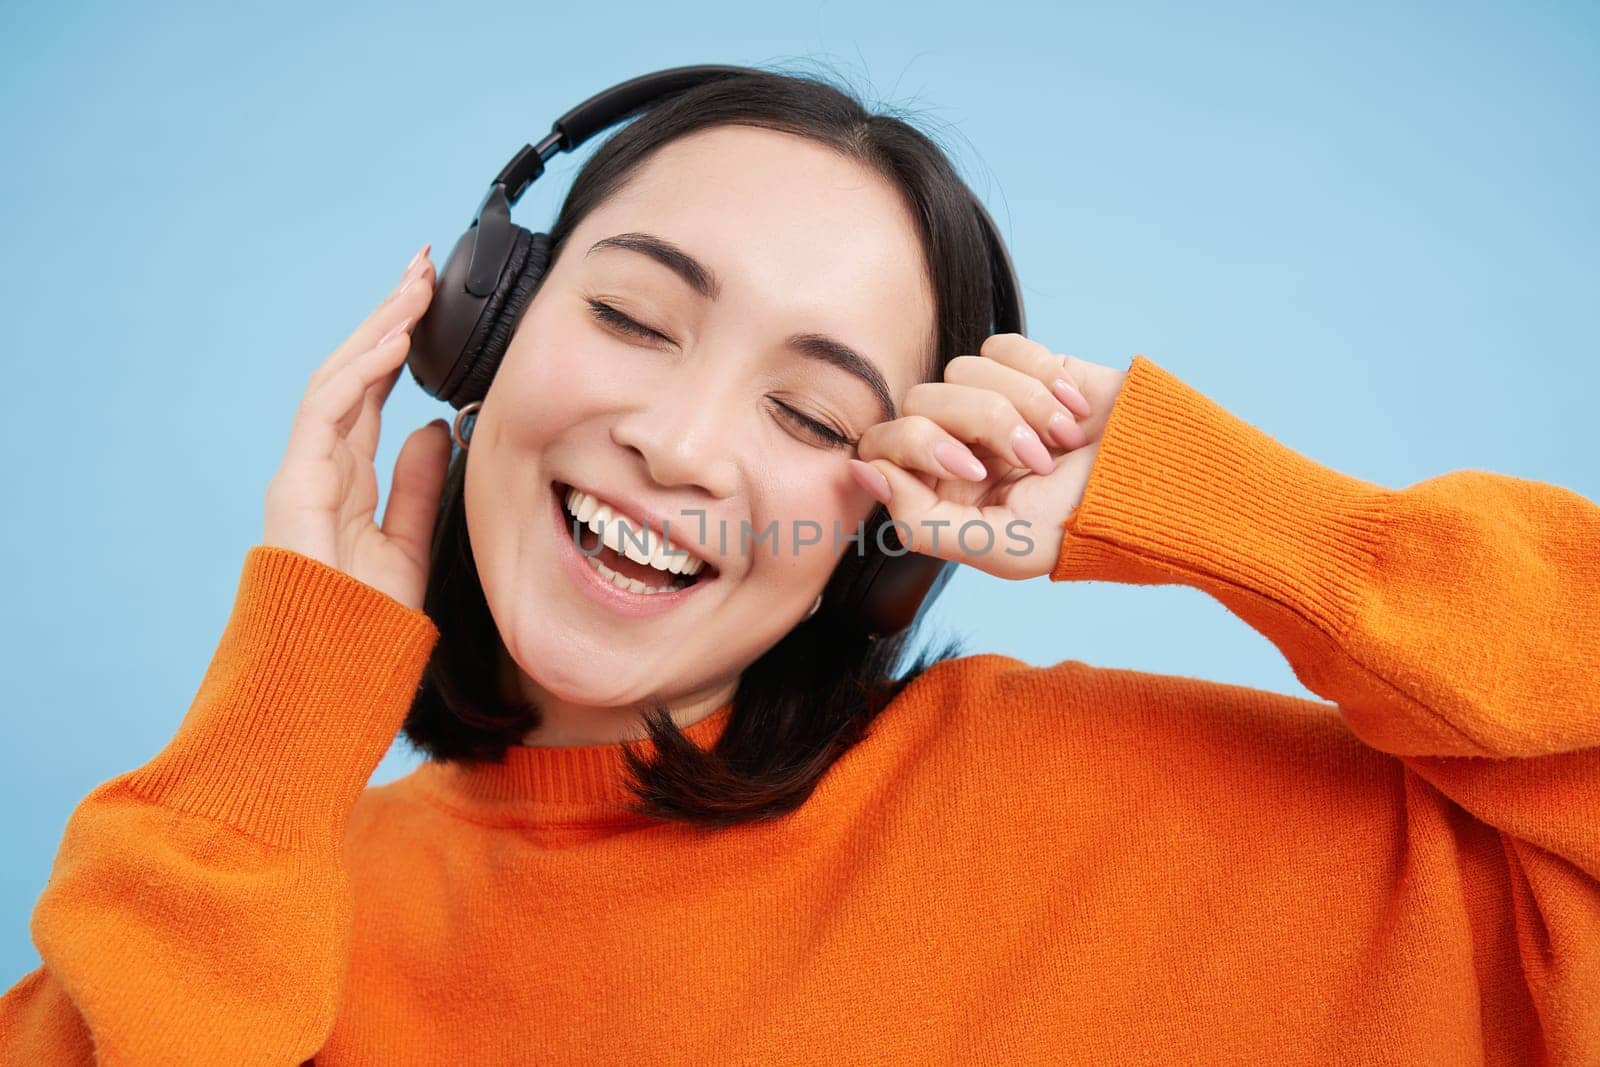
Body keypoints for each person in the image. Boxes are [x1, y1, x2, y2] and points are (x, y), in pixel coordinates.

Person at [1, 68, 1595, 1065]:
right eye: (631, 316)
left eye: (813, 409)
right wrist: (281, 720)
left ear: (886, 519)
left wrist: (1252, 522)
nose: (686, 447)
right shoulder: (256, 893)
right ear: (479, 324)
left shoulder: (1127, 816)